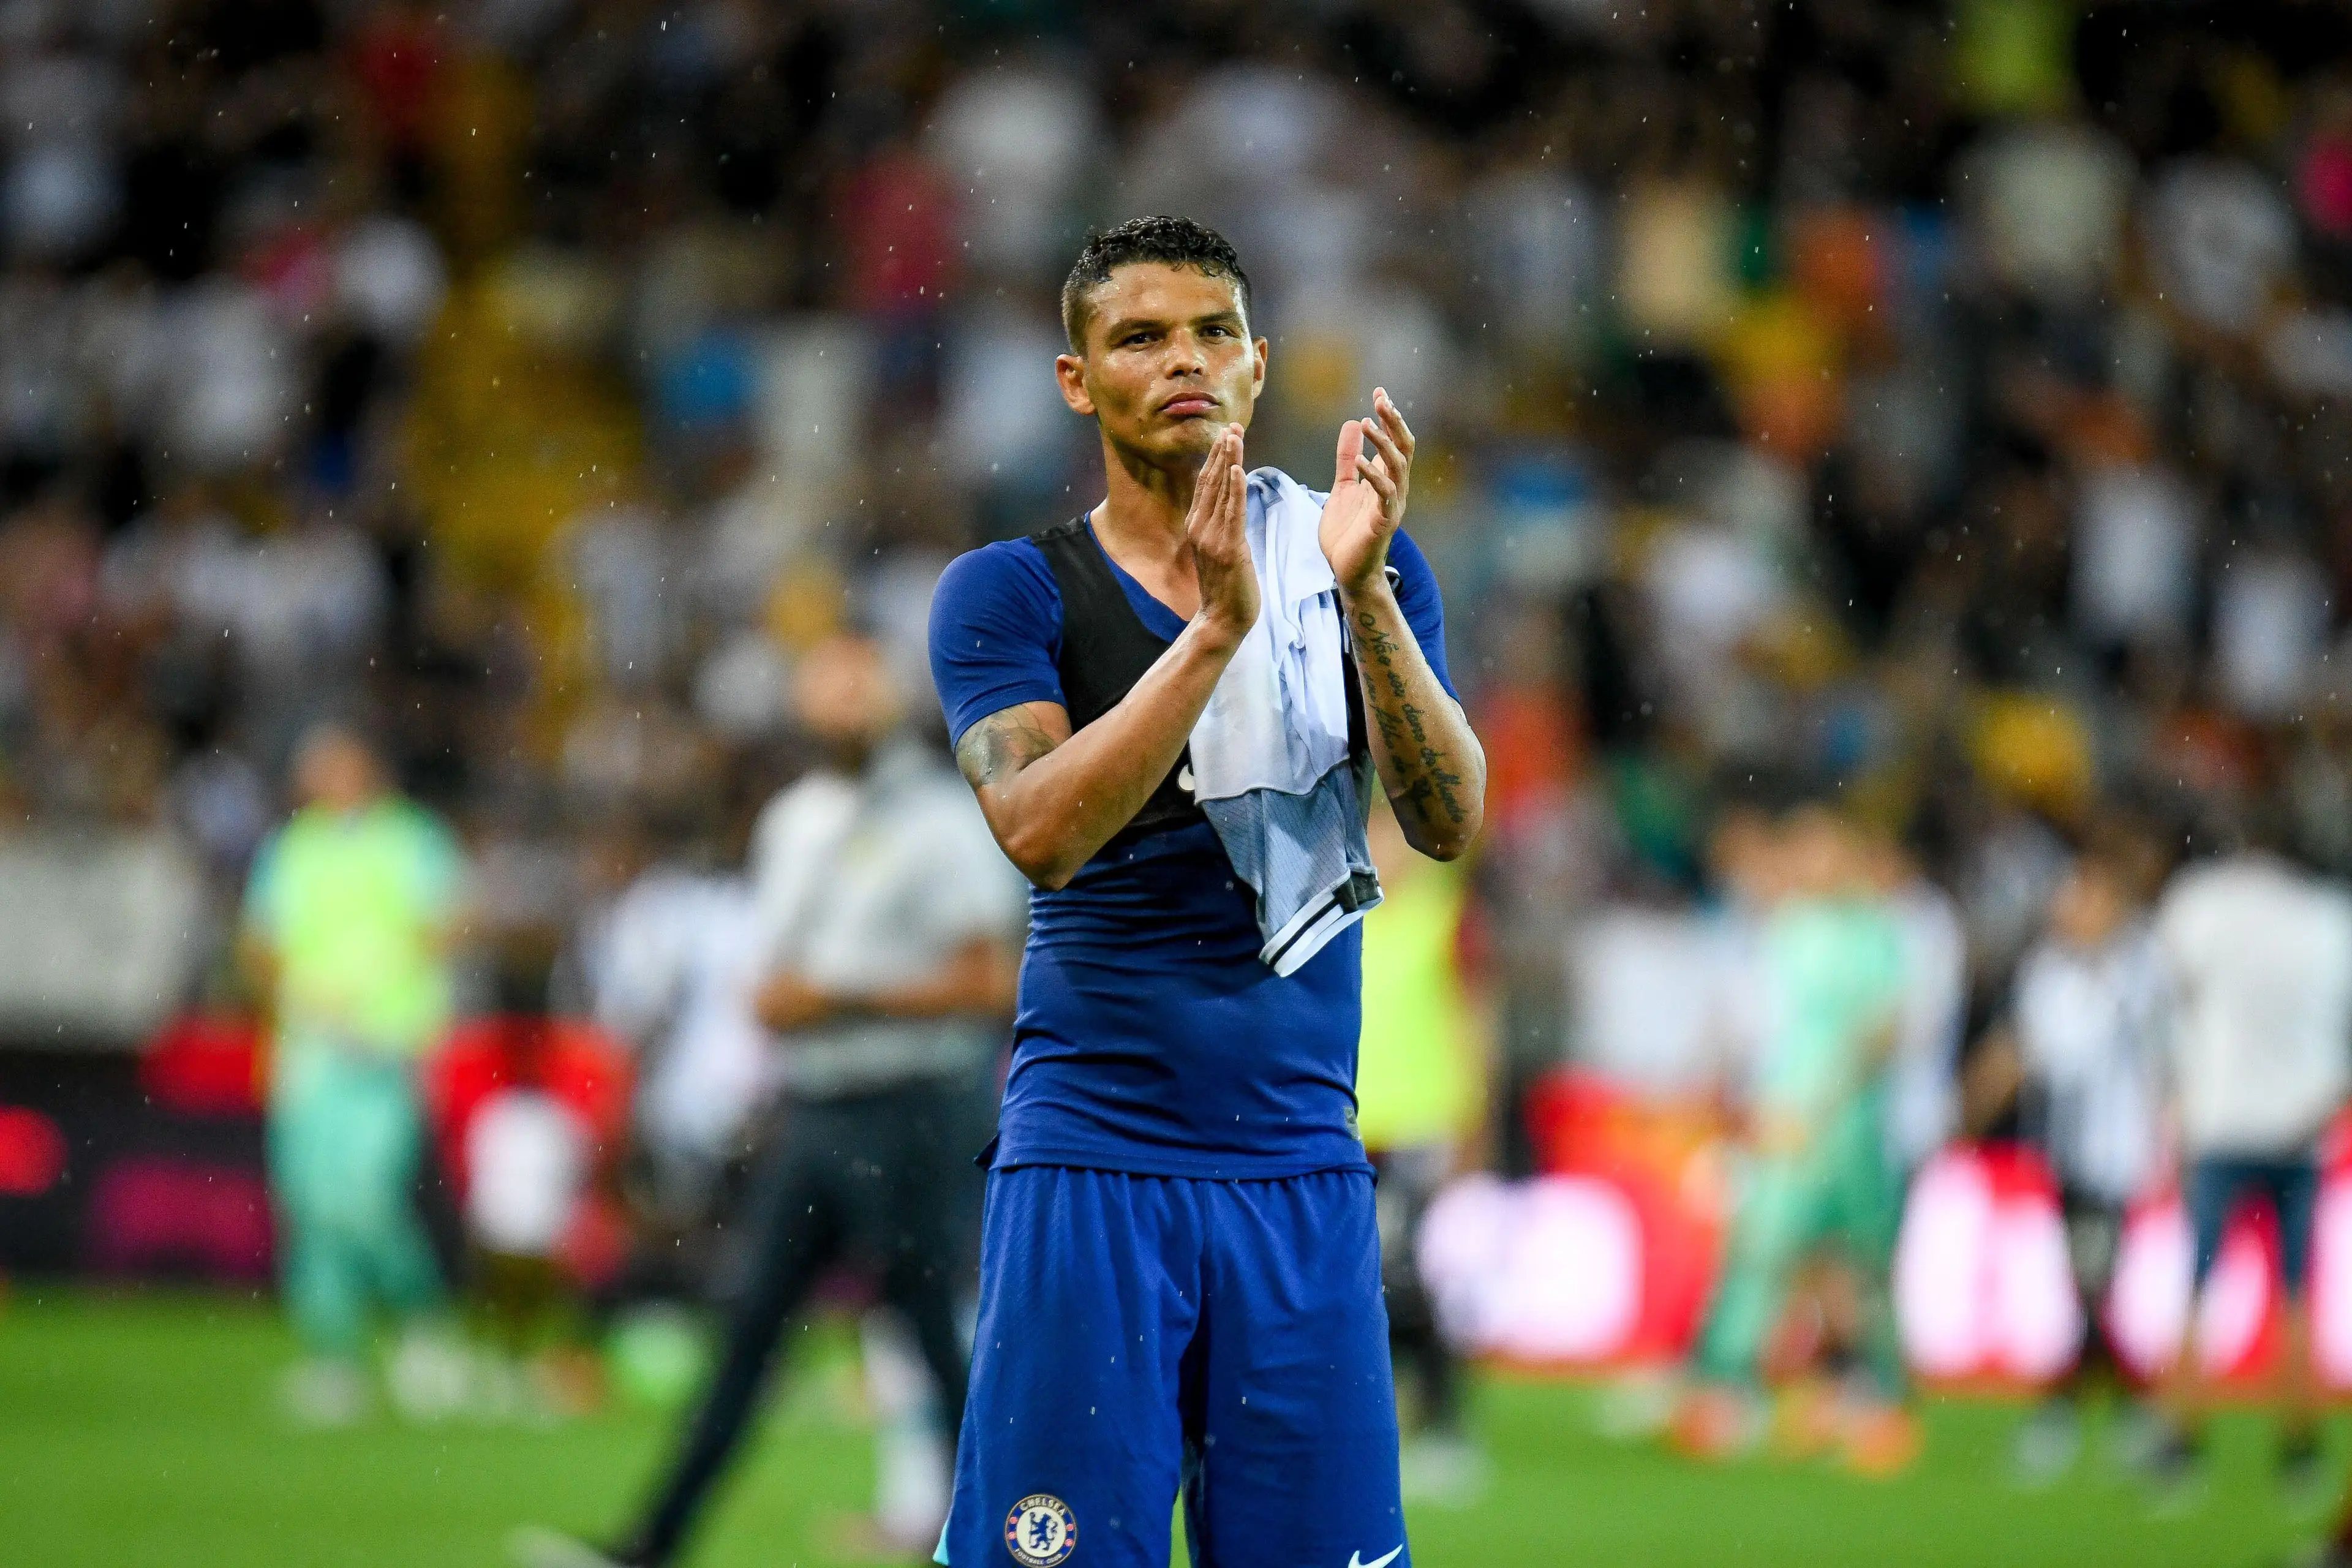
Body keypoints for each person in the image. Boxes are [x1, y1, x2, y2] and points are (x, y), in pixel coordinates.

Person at [925, 216, 1483, 1568]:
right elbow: (1042, 828)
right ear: (1078, 379)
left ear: (1258, 364)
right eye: (1141, 335)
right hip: (1095, 1158)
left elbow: (1451, 813)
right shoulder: (1008, 592)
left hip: (1300, 1164)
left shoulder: (1362, 565)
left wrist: (1360, 599)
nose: (1186, 359)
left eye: (1214, 331)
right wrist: (1217, 632)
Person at [514, 628, 1025, 1568]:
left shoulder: (942, 820)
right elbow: (782, 969)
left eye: (857, 688)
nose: (841, 706)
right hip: (818, 1104)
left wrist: (840, 999)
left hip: (914, 1100)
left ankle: (1002, 1544)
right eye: (825, 689)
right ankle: (652, 1544)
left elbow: (994, 984)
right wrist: (783, 1004)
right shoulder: (793, 819)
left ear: (887, 698)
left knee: (931, 1339)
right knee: (750, 1328)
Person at [1673, 802, 1917, 1475]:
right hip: (1786, 1114)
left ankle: (1877, 1393)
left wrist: (1829, 1099)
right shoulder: (1785, 926)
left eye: (1822, 847)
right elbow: (1757, 1024)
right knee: (1763, 1249)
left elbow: (1886, 1029)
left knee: (1853, 1263)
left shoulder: (1874, 931)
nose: (1810, 861)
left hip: (1846, 1121)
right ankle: (1730, 1389)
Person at [241, 723, 469, 1426]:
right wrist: (302, 995)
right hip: (310, 1050)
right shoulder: (294, 847)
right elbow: (259, 943)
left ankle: (423, 1327)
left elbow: (448, 924)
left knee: (365, 1199)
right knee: (313, 1209)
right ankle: (334, 1358)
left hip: (382, 1048)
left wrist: (382, 988)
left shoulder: (413, 840)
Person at [2145, 816, 2352, 1507]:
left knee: (2200, 1288)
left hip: (2222, 1121)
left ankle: (2180, 1439)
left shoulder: (2201, 903)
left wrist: (2175, 1098)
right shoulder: (2329, 917)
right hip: (2302, 1126)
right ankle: (2298, 1449)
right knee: (2299, 1293)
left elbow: (2167, 1000)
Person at [1975, 829, 2168, 1485]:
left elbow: (2120, 1053)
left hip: (2116, 1150)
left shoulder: (2141, 966)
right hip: (2065, 1148)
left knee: (2092, 1281)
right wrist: (1972, 1107)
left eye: (2081, 896)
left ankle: (2070, 1414)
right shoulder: (2050, 969)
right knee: (2089, 1284)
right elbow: (2027, 1048)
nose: (2068, 907)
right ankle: (2132, 1415)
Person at [1355, 800, 1492, 1507]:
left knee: (1402, 1270)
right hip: (1346, 1123)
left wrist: (1474, 1117)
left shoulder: (1443, 915)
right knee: (1366, 1276)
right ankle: (1393, 1415)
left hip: (1417, 1121)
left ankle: (1443, 1423)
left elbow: (1474, 1016)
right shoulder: (1336, 908)